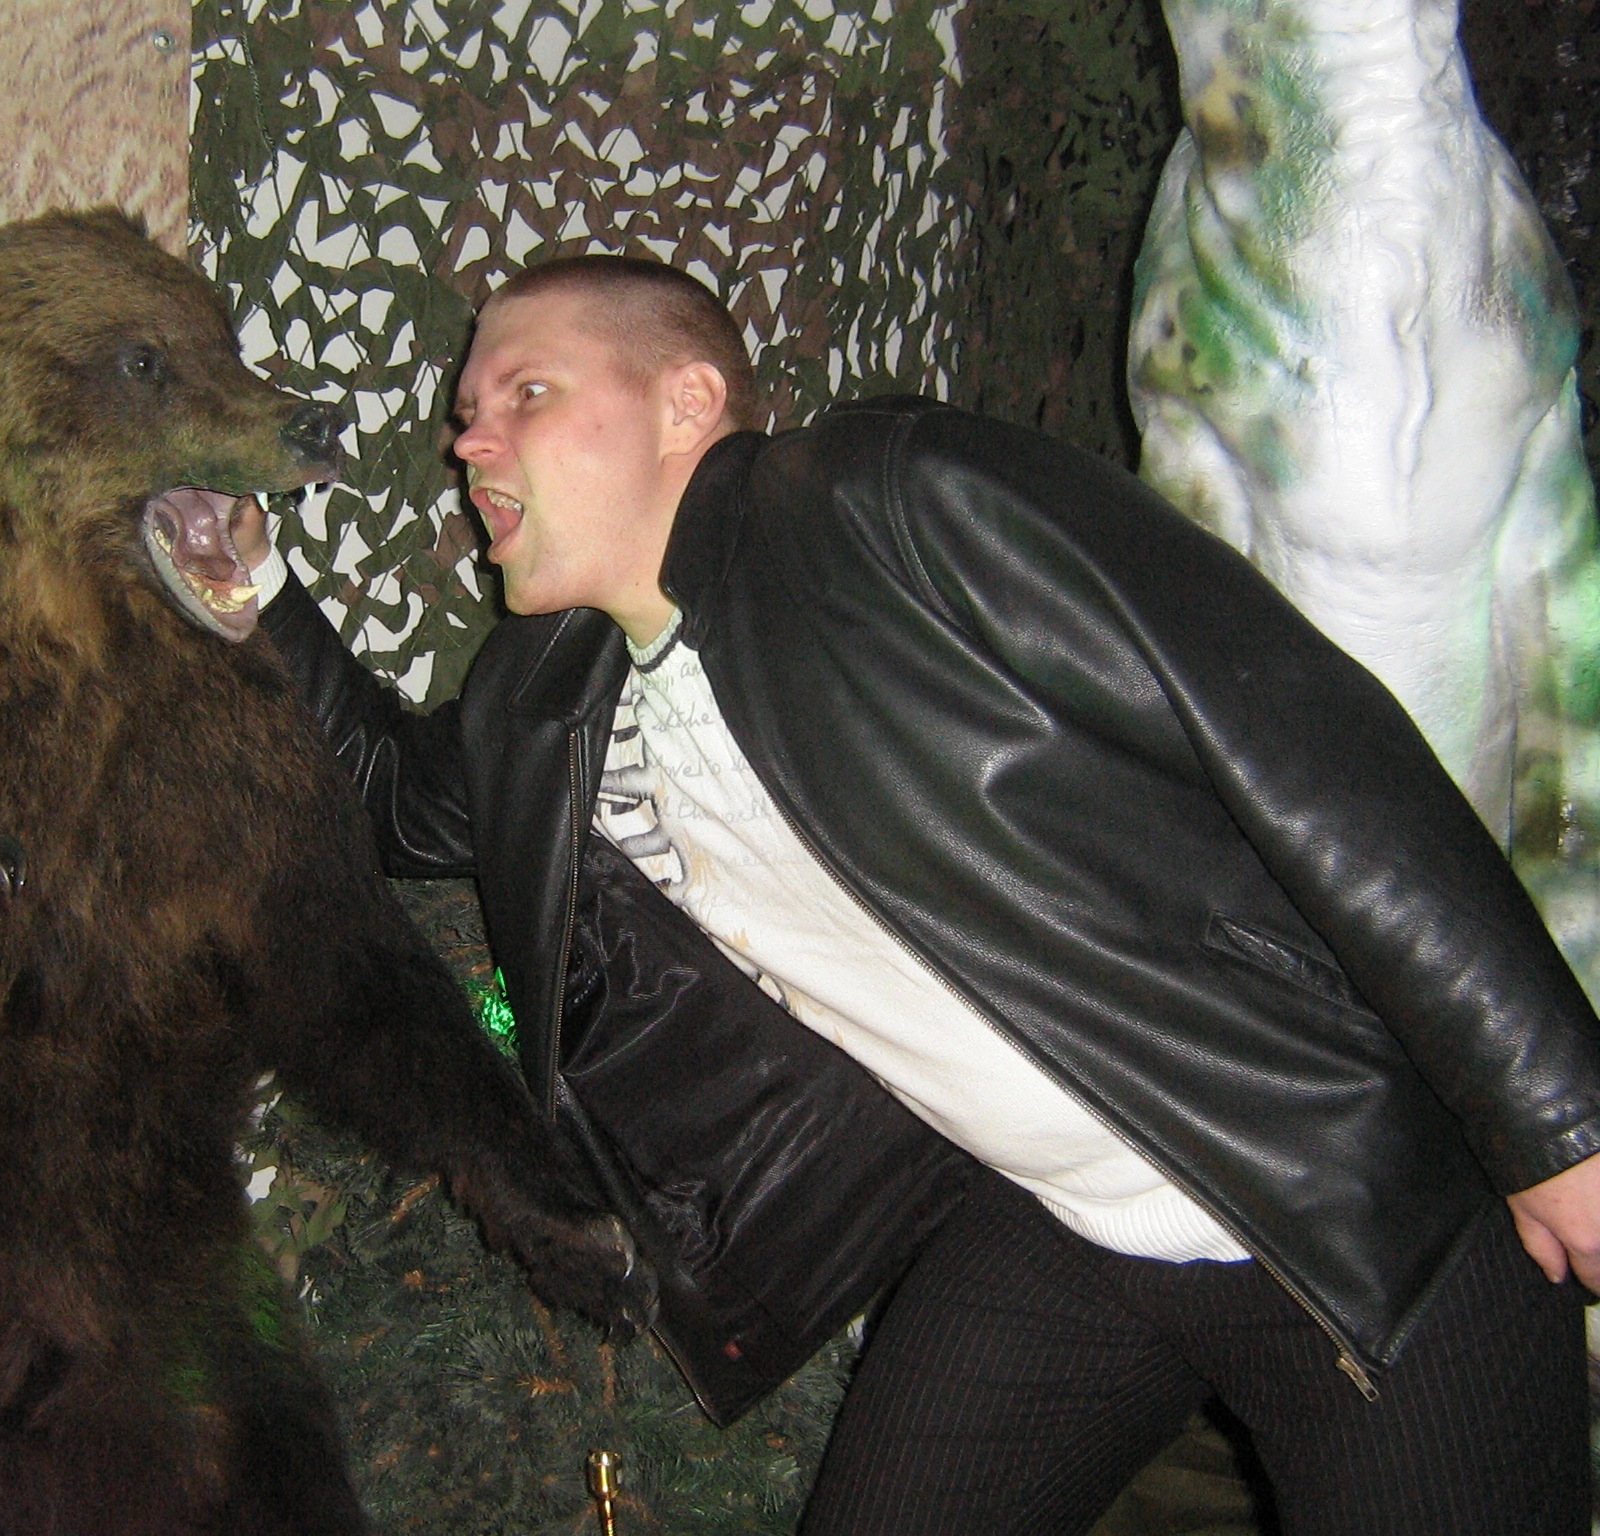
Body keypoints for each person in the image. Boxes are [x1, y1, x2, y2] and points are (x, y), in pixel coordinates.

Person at [219, 255, 1600, 1533]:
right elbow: (389, 796)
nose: (470, 442)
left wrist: (1557, 1118)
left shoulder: (887, 502)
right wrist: (250, 585)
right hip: (1059, 1220)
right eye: (468, 412)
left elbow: (1297, 736)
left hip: (1333, 1184)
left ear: (687, 404)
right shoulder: (546, 695)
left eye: (527, 392)